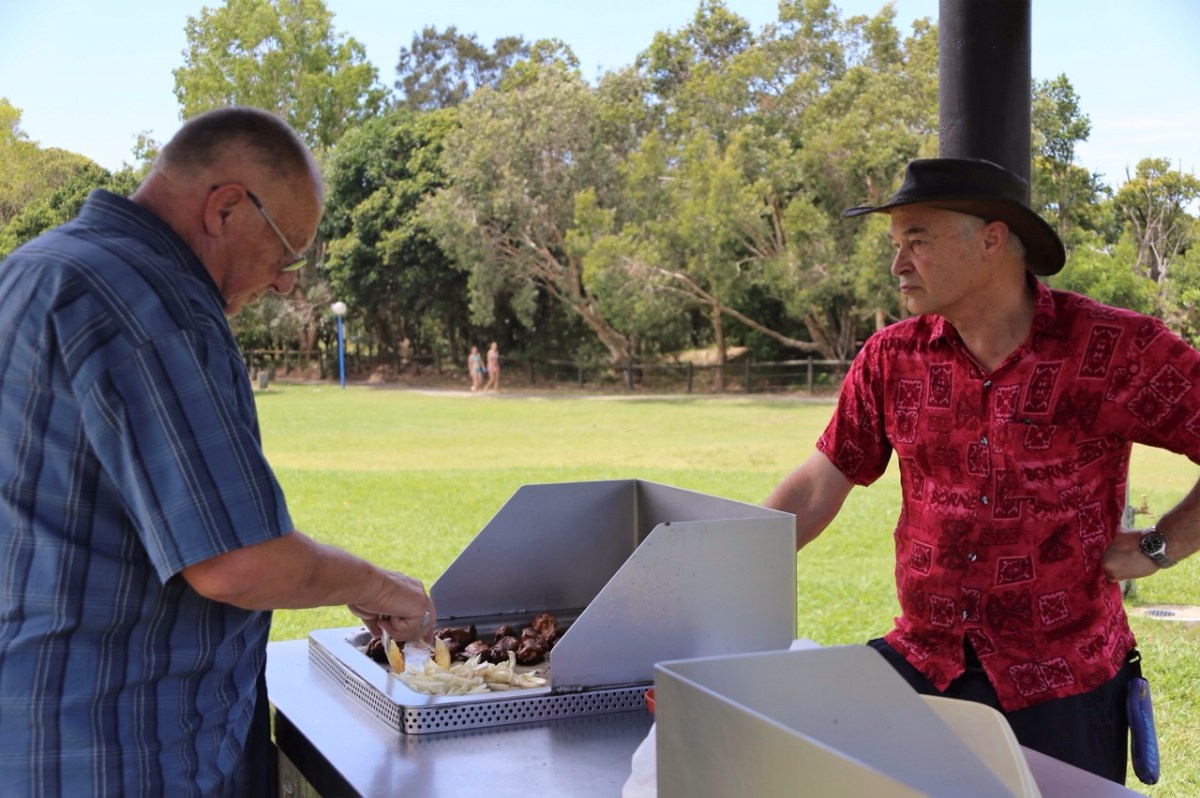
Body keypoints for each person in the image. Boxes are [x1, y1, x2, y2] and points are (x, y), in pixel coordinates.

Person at [0, 107, 435, 797]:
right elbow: (237, 561)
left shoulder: (31, 269)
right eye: (287, 251)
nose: (287, 281)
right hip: (131, 746)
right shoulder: (150, 301)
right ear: (226, 208)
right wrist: (381, 588)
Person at [764, 157, 1200, 785]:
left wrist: (1163, 545)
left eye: (918, 240)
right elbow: (816, 486)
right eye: (895, 244)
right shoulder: (891, 358)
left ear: (992, 240)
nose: (898, 264)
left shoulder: (1114, 348)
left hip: (1063, 683)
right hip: (925, 664)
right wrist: (708, 573)